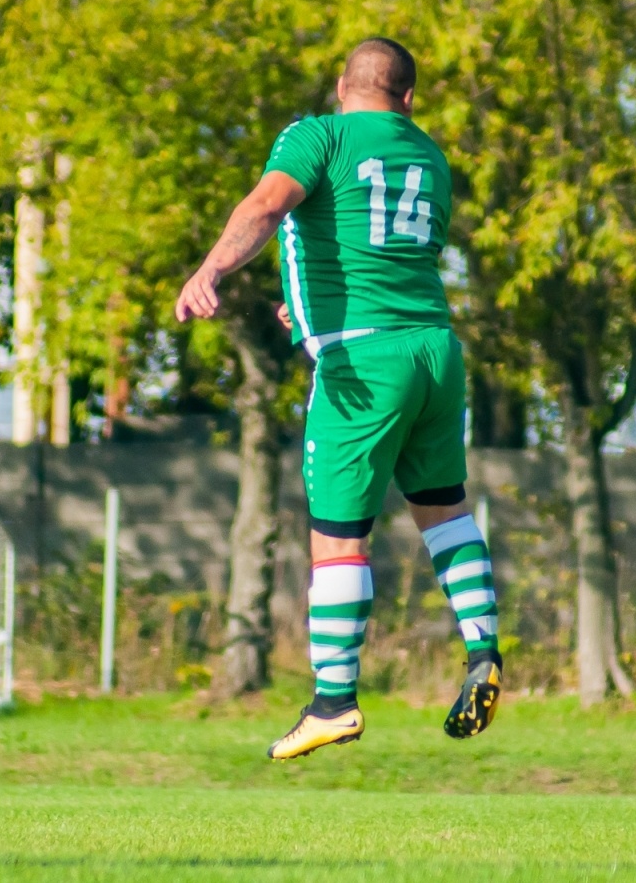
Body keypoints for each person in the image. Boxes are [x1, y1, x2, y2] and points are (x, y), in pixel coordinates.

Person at [174, 38, 502, 758]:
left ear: (340, 86)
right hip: (437, 350)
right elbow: (377, 253)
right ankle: (484, 648)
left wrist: (212, 268)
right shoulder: (430, 156)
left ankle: (333, 701)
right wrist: (307, 306)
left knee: (337, 536)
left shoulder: (315, 135)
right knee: (444, 509)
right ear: (408, 97)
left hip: (365, 359)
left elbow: (267, 206)